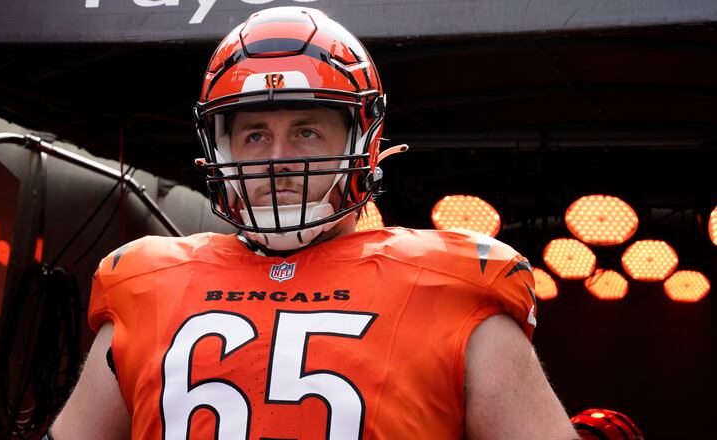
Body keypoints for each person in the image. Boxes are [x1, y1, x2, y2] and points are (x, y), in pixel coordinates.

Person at [50, 6, 577, 439]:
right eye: (254, 134)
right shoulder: (146, 282)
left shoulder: (455, 287)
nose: (278, 158)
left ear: (361, 143)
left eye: (307, 131)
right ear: (220, 148)